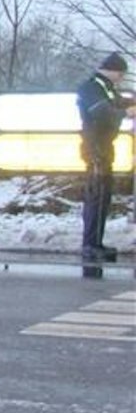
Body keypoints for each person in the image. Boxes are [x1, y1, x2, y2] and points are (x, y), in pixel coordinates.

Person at [76, 52, 132, 266]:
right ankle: (90, 245)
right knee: (96, 196)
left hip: (103, 148)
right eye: (120, 74)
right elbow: (104, 112)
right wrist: (126, 113)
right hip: (95, 149)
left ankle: (96, 243)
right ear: (112, 70)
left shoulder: (104, 88)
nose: (120, 78)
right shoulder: (91, 88)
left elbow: (117, 102)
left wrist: (128, 105)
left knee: (103, 197)